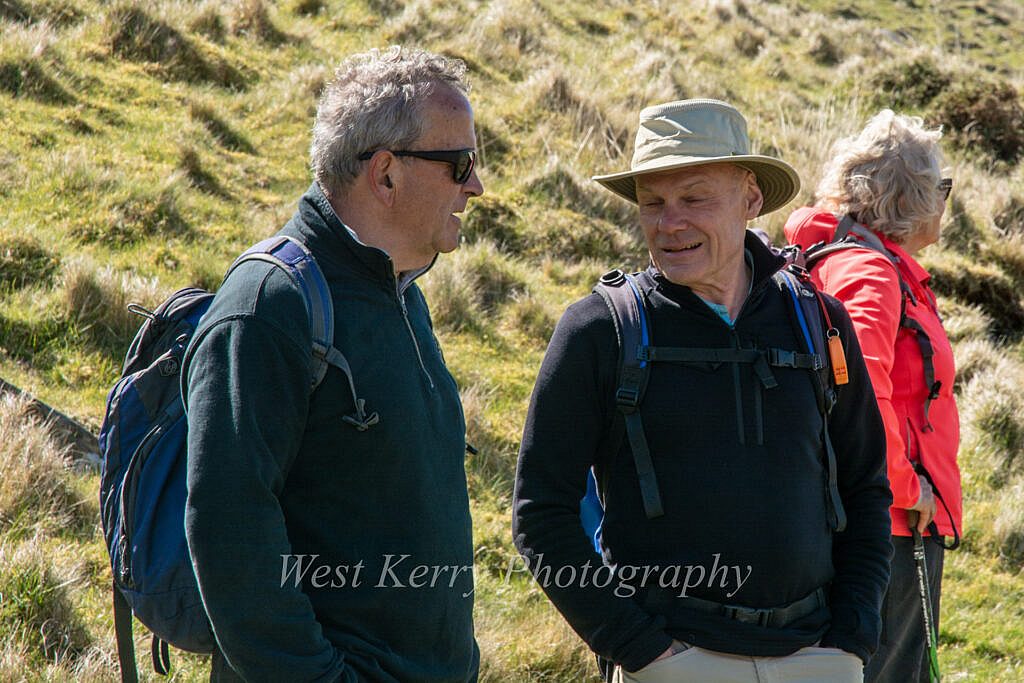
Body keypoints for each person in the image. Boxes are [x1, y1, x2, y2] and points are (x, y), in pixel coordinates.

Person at [512, 98, 893, 682]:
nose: (670, 223)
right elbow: (541, 514)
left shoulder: (820, 321)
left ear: (751, 197)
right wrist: (640, 651)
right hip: (672, 661)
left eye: (695, 198)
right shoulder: (599, 330)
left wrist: (851, 639)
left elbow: (867, 487)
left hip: (817, 658)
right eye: (653, 204)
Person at [182, 46, 484, 682]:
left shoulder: (401, 293)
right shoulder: (271, 306)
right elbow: (229, 533)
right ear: (385, 173)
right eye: (459, 164)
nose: (476, 186)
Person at [783, 109, 962, 683]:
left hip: (859, 513)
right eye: (943, 188)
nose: (945, 202)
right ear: (914, 196)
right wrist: (910, 488)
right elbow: (861, 393)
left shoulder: (848, 262)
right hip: (890, 523)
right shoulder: (871, 274)